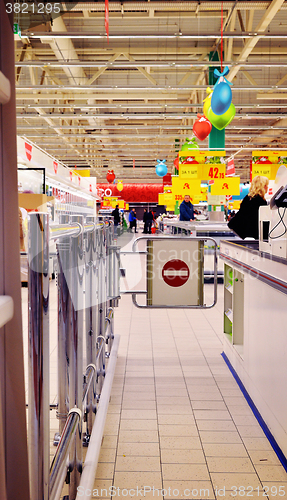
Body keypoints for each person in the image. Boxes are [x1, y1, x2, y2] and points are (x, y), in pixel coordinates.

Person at [228, 175, 269, 239]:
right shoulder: (260, 201)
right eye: (266, 185)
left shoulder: (248, 198)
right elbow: (260, 222)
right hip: (255, 237)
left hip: (246, 235)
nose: (267, 187)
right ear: (262, 186)